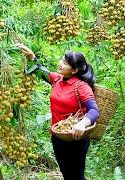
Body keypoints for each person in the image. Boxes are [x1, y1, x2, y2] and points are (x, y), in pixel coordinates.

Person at [17, 43, 100, 180]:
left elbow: (94, 111)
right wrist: (32, 56)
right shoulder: (57, 79)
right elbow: (41, 71)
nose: (60, 63)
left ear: (74, 70)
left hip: (75, 138)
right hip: (58, 136)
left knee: (76, 176)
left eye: (65, 63)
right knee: (66, 174)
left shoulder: (81, 86)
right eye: (62, 59)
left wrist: (82, 124)